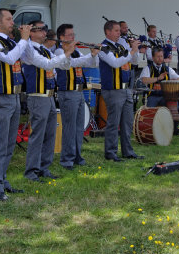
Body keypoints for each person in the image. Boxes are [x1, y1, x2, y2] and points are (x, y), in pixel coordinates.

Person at [0, 8, 31, 200]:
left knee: (11, 142)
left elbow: (27, 58)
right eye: (9, 19)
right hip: (1, 96)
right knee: (1, 143)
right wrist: (24, 39)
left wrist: (26, 39)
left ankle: (3, 180)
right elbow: (10, 59)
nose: (12, 22)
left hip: (14, 96)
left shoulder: (12, 41)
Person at [21, 22, 67, 182]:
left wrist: (89, 55)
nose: (44, 32)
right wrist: (66, 53)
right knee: (38, 134)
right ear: (31, 33)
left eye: (45, 29)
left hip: (49, 96)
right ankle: (31, 171)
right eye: (41, 29)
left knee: (50, 133)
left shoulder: (46, 50)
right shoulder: (29, 49)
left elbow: (60, 66)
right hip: (37, 95)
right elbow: (47, 64)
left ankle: (43, 167)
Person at [53, 24, 98, 170]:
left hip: (78, 91)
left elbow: (91, 64)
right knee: (70, 127)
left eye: (74, 34)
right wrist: (89, 55)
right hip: (67, 91)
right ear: (62, 37)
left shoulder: (76, 50)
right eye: (70, 35)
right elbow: (72, 64)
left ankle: (77, 155)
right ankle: (67, 159)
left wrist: (94, 54)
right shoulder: (60, 51)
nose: (73, 37)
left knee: (79, 127)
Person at [99, 21, 145, 161]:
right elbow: (115, 63)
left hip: (126, 89)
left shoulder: (120, 45)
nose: (120, 33)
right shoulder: (104, 47)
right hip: (113, 89)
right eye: (117, 30)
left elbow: (133, 62)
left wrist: (134, 49)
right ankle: (111, 153)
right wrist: (131, 51)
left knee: (127, 122)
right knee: (114, 122)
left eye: (120, 30)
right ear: (108, 32)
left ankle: (128, 151)